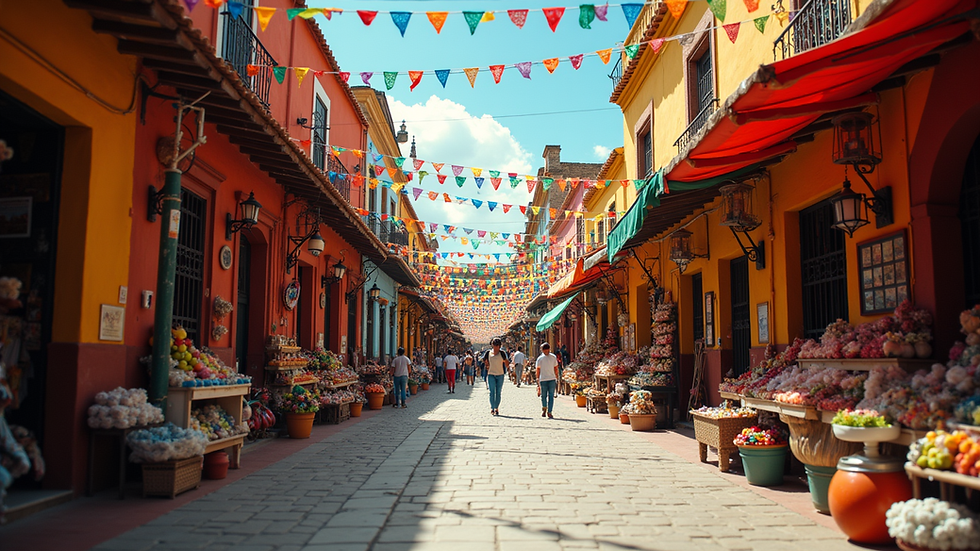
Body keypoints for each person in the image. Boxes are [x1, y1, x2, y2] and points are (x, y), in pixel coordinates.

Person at [481, 338, 509, 416]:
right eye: (494, 345)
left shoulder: (502, 353)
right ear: (492, 345)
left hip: (500, 375)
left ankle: (496, 407)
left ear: (500, 346)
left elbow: (506, 362)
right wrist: (487, 365)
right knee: (492, 392)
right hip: (491, 374)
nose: (496, 347)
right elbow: (484, 360)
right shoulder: (488, 353)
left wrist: (508, 368)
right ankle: (492, 407)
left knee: (498, 392)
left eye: (497, 345)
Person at [536, 342, 561, 419]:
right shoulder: (540, 359)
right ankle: (545, 409)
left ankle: (549, 411)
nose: (546, 351)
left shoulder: (553, 357)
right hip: (544, 379)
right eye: (545, 350)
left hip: (550, 379)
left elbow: (555, 368)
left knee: (549, 396)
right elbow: (538, 370)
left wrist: (557, 376)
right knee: (545, 396)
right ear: (542, 350)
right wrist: (537, 379)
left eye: (547, 349)